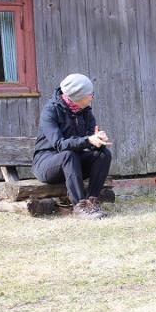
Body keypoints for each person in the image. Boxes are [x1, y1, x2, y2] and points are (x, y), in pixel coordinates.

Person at [32, 73, 112, 219]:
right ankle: (79, 207)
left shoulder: (86, 111)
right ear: (77, 96)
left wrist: (98, 141)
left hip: (73, 162)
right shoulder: (50, 111)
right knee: (69, 155)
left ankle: (91, 202)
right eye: (90, 94)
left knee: (104, 154)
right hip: (46, 163)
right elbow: (59, 144)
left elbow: (89, 140)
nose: (92, 97)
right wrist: (88, 140)